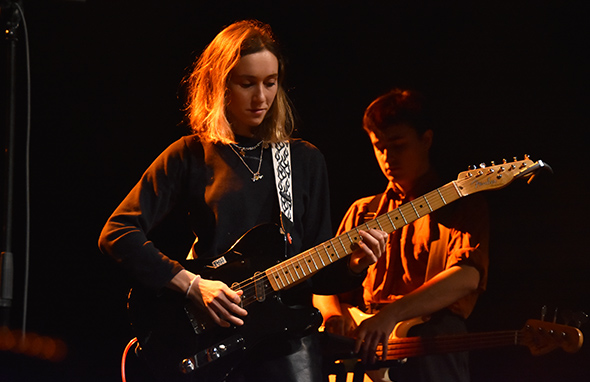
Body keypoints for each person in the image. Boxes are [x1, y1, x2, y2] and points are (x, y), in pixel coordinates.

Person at [98, 20, 387, 382]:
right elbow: (118, 231)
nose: (261, 97)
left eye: (270, 82)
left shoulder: (305, 160)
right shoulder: (190, 154)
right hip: (213, 339)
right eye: (247, 83)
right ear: (219, 85)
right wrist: (191, 284)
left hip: (288, 345)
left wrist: (354, 263)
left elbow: (316, 273)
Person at [313, 89, 489, 382]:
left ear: (427, 140)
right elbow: (324, 282)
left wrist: (391, 315)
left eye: (398, 145)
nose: (386, 157)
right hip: (365, 350)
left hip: (428, 347)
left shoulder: (462, 204)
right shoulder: (363, 211)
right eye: (378, 146)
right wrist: (332, 317)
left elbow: (467, 276)